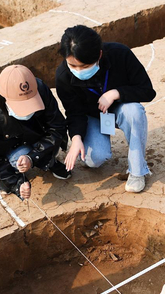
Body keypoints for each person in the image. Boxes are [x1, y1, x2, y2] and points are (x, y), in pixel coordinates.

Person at [55, 25, 156, 193]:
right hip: (93, 116)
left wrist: (116, 93)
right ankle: (96, 141)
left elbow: (147, 91)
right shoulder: (63, 76)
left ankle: (137, 171)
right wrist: (76, 138)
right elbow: (74, 112)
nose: (79, 71)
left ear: (99, 55)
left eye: (85, 66)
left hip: (121, 108)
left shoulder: (120, 53)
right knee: (94, 160)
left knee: (135, 112)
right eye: (73, 65)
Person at [0, 64, 70, 200]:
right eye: (21, 106)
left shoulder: (40, 89)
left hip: (39, 138)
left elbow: (57, 127)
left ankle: (49, 161)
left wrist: (33, 156)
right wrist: (15, 182)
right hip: (13, 147)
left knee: (43, 148)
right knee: (18, 157)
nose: (29, 112)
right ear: (4, 97)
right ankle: (9, 177)